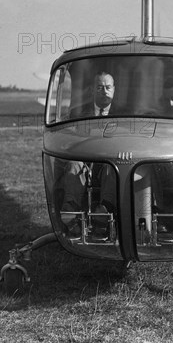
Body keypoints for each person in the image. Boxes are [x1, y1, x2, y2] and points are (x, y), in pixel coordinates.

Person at [59, 72, 118, 237]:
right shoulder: (78, 113)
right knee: (73, 164)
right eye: (99, 87)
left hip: (110, 162)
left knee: (111, 168)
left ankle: (103, 214)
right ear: (92, 90)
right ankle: (70, 212)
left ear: (114, 89)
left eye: (108, 87)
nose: (104, 91)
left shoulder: (124, 113)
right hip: (85, 161)